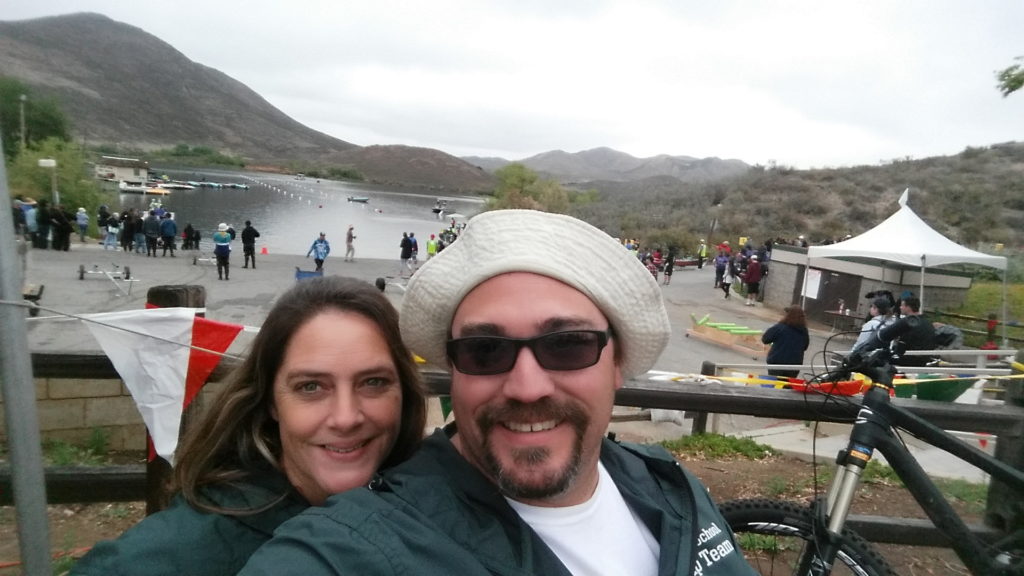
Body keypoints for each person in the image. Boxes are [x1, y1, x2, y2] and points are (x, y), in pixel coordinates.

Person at [241, 209, 754, 576]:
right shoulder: (358, 547)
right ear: (454, 371)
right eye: (485, 351)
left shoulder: (667, 482)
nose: (527, 387)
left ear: (617, 362)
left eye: (567, 345)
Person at [71, 276, 427, 576]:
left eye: (373, 382)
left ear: (404, 392)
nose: (346, 417)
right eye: (311, 387)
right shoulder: (183, 551)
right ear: (271, 401)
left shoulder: (429, 505)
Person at [878, 295, 938, 367]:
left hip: (910, 359)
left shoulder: (908, 324)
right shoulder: (927, 323)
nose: (900, 307)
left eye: (902, 305)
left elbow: (902, 346)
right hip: (924, 358)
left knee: (881, 359)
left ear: (908, 307)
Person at [761, 305, 810, 378]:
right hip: (794, 366)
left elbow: (765, 339)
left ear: (788, 315)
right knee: (789, 385)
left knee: (775, 384)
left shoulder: (780, 327)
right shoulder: (804, 331)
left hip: (777, 363)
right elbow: (805, 347)